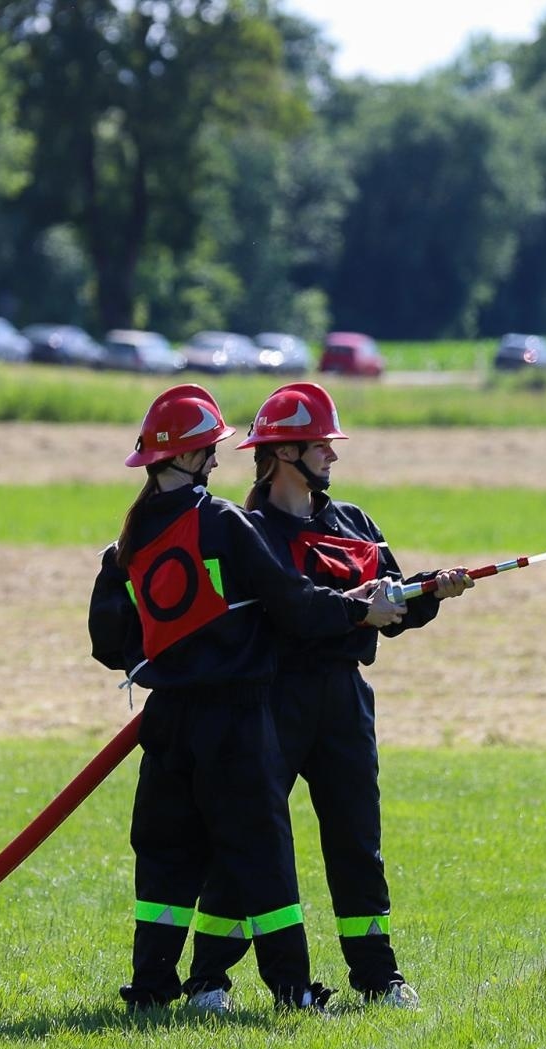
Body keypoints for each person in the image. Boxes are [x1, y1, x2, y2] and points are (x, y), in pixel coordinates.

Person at [88, 384, 406, 1013]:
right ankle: (293, 992)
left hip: (167, 719)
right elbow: (290, 604)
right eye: (209, 450)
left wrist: (164, 663)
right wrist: (356, 610)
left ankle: (153, 988)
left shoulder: (124, 544)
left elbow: (108, 641)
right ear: (192, 458)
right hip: (235, 717)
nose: (216, 460)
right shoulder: (223, 520)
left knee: (166, 857)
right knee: (261, 853)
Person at [186, 381, 471, 1011]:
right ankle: (208, 979)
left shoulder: (354, 523)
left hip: (344, 699)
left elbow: (390, 602)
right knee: (252, 841)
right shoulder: (250, 530)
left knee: (356, 840)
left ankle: (378, 977)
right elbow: (296, 612)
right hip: (271, 699)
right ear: (286, 452)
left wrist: (429, 592)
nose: (334, 458)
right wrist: (365, 612)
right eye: (322, 446)